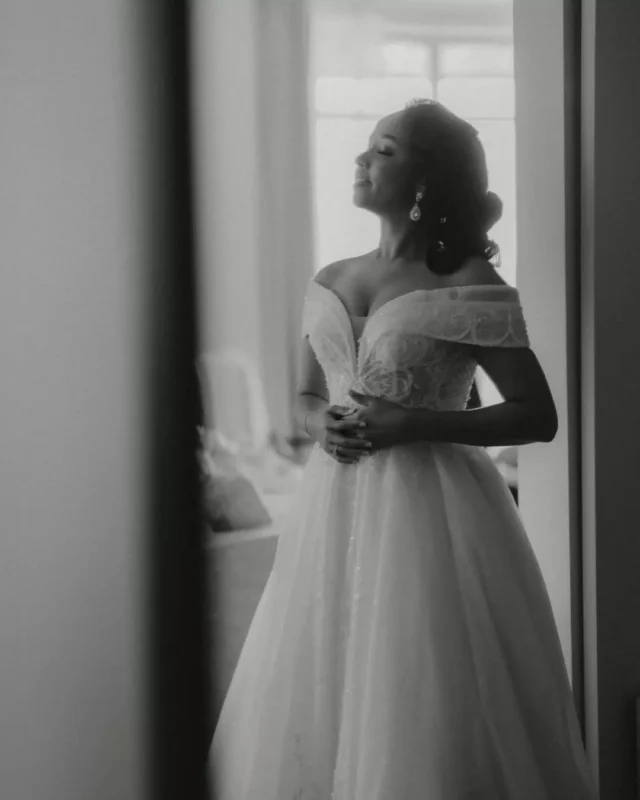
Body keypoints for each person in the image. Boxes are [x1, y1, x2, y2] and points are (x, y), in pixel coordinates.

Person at [208, 99, 598, 799]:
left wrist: (417, 423)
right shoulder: (330, 277)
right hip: (331, 507)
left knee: (419, 684)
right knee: (323, 673)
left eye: (383, 150)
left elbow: (537, 417)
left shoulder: (470, 288)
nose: (361, 161)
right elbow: (303, 399)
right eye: (367, 147)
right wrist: (320, 421)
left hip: (433, 514)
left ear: (425, 183)